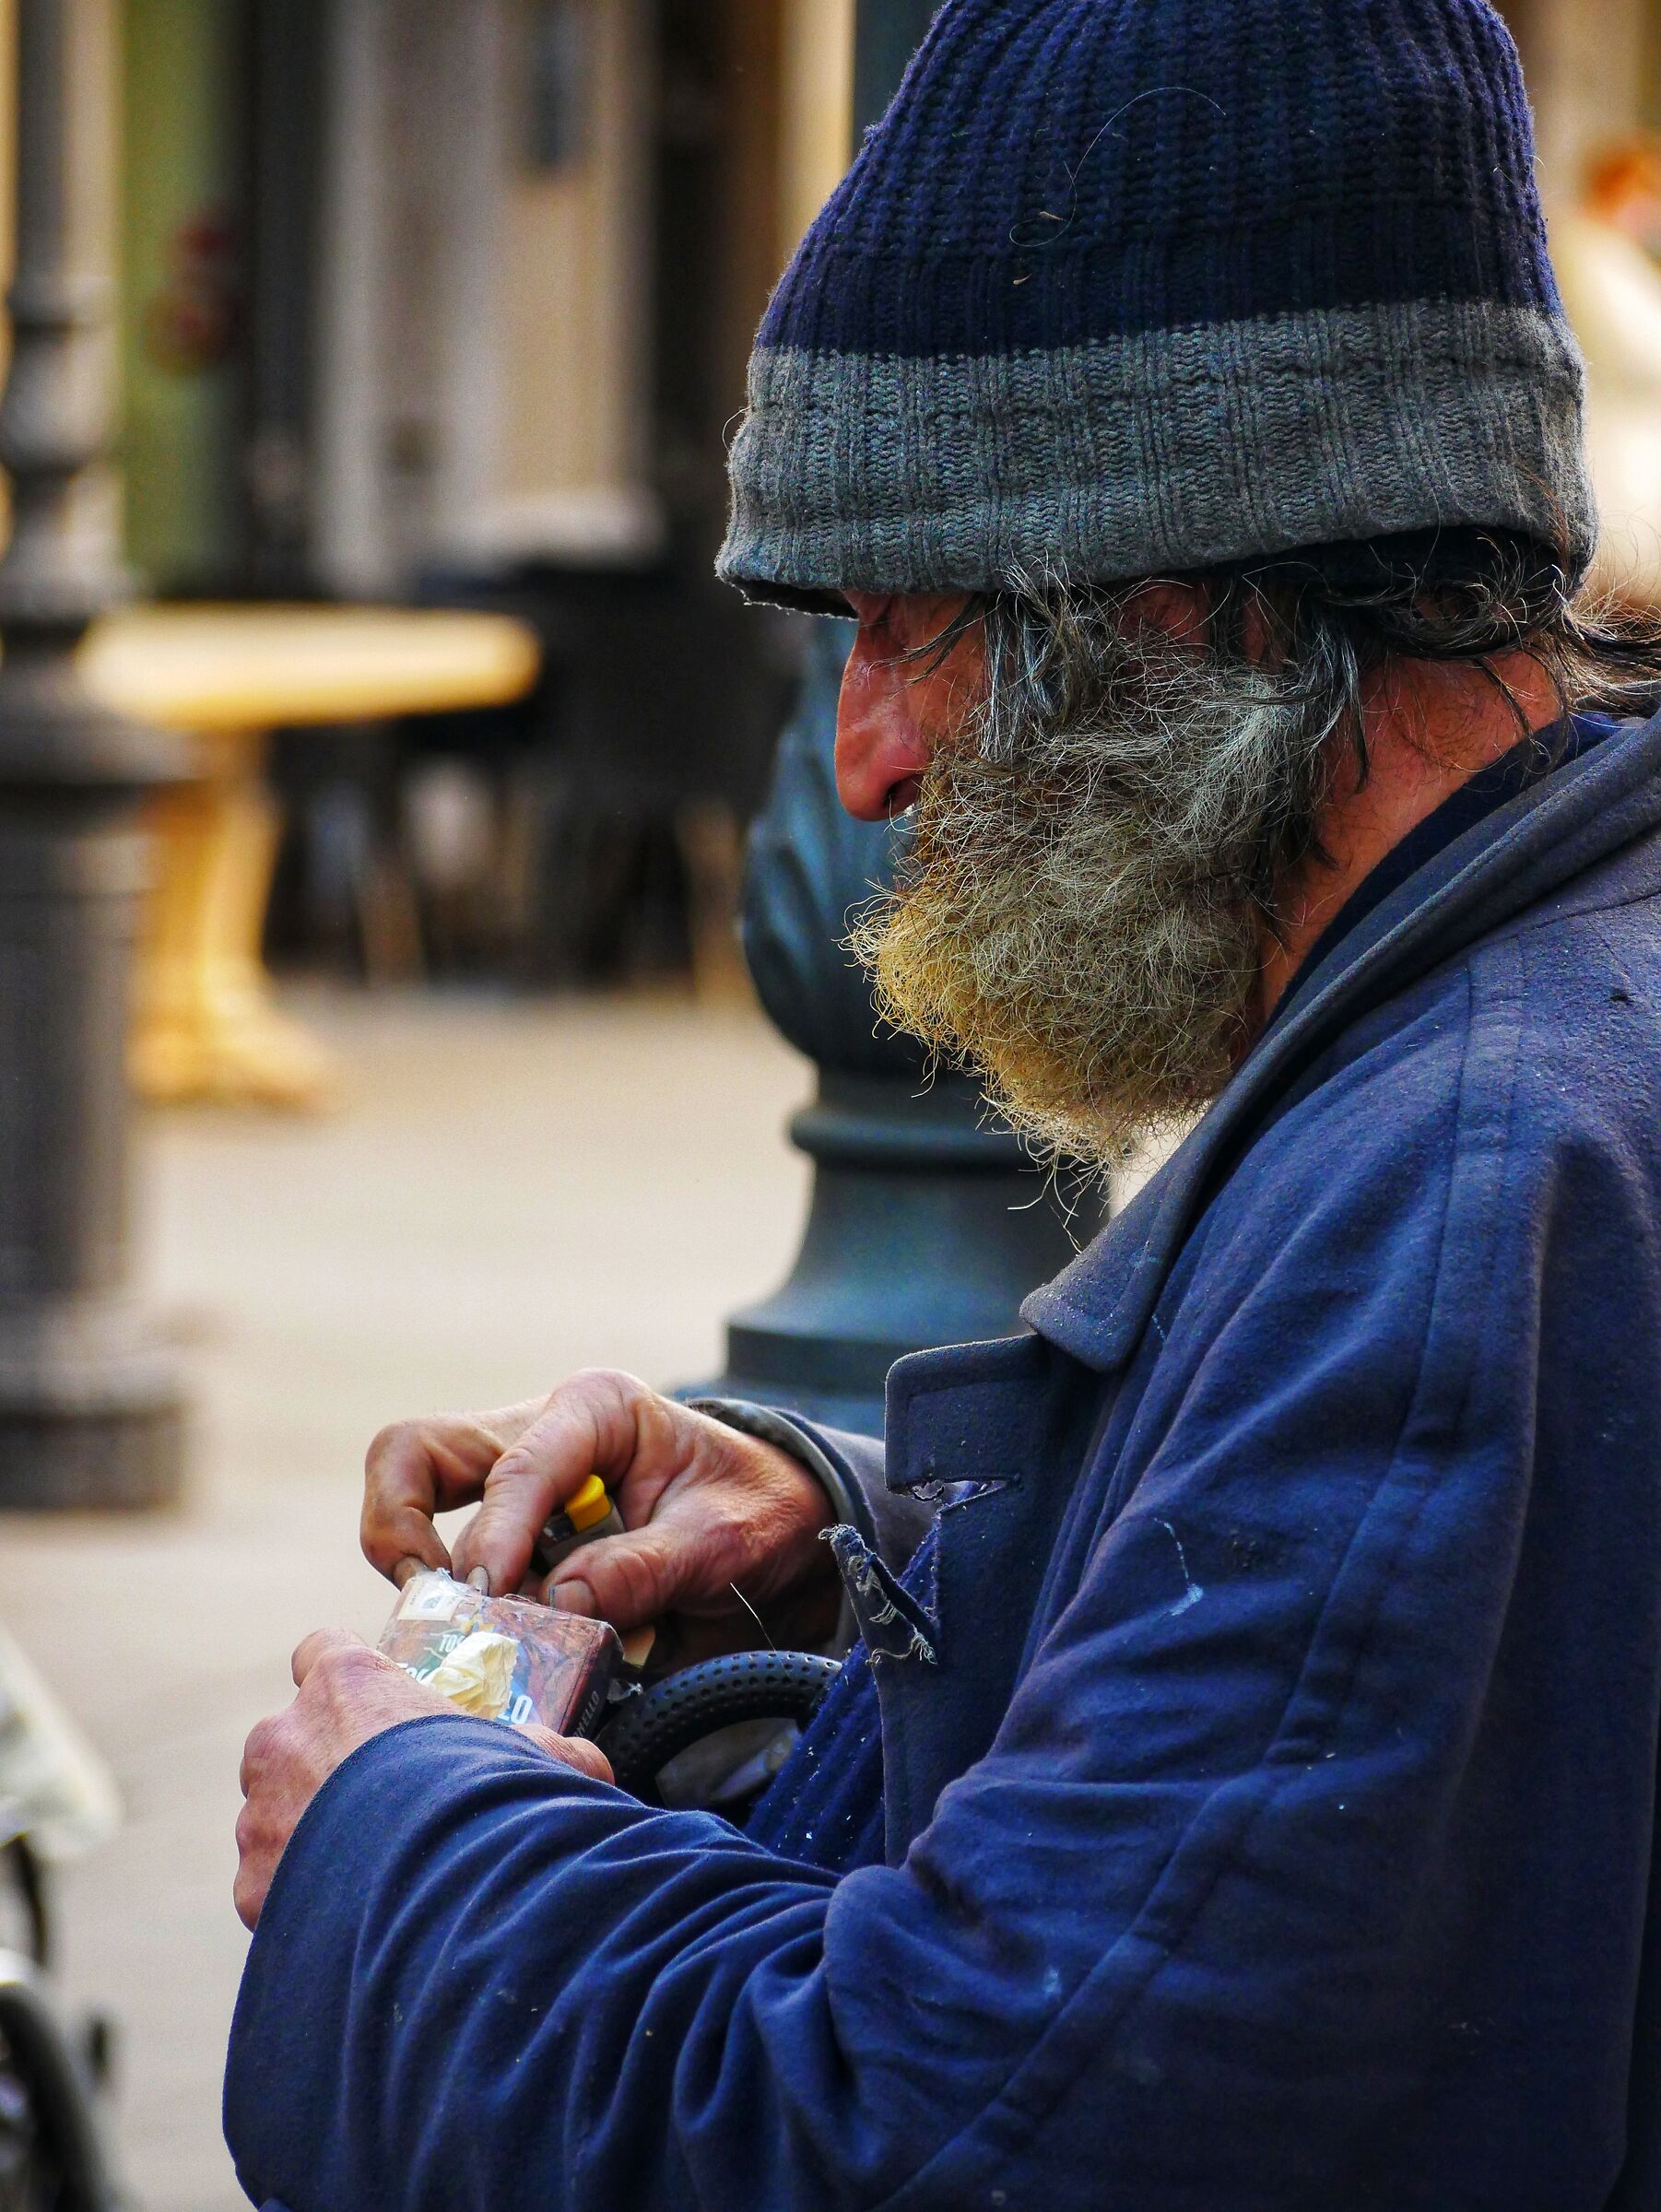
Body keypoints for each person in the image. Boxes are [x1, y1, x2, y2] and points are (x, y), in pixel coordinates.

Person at [226, 4, 1661, 2206]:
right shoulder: (1534, 1015)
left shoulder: (1458, 1195)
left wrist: (405, 1843)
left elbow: (946, 2135)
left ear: (1210, 595)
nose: (863, 762)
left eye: (913, 625)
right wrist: (878, 1544)